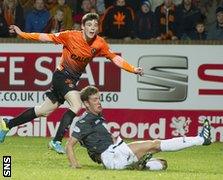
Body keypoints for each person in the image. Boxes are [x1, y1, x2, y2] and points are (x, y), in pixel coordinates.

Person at [0, 13, 143, 155]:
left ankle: (7, 124)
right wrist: (22, 34)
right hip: (61, 75)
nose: (92, 28)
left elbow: (115, 58)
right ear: (82, 26)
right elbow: (46, 37)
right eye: (89, 25)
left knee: (44, 111)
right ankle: (56, 141)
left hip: (72, 79)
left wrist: (133, 69)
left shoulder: (100, 43)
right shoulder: (70, 36)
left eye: (94, 25)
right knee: (76, 104)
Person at [66, 86, 212, 169]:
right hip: (111, 156)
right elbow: (69, 145)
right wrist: (75, 165)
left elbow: (97, 142)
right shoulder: (84, 121)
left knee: (162, 164)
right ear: (86, 104)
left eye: (99, 98)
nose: (99, 102)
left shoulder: (96, 118)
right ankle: (201, 139)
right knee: (155, 144)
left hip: (113, 156)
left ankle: (139, 166)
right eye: (95, 99)